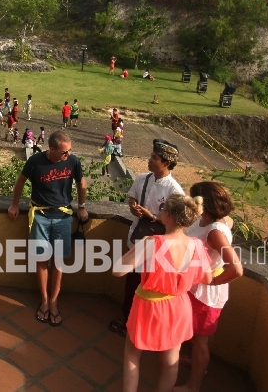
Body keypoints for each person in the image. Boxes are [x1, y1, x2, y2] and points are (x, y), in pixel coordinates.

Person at [114, 194, 213, 392]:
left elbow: (118, 270)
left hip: (148, 305)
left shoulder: (152, 242)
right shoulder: (197, 245)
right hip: (178, 305)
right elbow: (207, 279)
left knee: (132, 355)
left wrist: (133, 251)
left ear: (168, 216)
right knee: (171, 360)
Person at [8, 131, 88, 327]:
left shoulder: (73, 162)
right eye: (64, 152)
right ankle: (44, 300)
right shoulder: (35, 161)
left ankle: (54, 302)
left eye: (69, 151)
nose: (67, 155)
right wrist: (15, 204)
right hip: (41, 216)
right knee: (42, 260)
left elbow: (81, 183)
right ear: (51, 149)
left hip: (63, 217)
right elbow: (20, 181)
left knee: (58, 262)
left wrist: (82, 206)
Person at [109, 139, 184, 338]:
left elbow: (177, 224)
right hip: (137, 240)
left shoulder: (174, 191)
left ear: (166, 163)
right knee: (132, 285)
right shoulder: (142, 179)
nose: (149, 160)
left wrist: (152, 217)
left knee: (149, 289)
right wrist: (133, 205)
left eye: (154, 158)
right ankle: (127, 321)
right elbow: (132, 197)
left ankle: (141, 326)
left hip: (157, 247)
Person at [174, 182, 243, 392]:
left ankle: (193, 386)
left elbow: (237, 269)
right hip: (198, 288)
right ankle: (198, 367)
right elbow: (228, 221)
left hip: (205, 294)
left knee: (201, 341)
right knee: (202, 337)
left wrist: (213, 280)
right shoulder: (211, 221)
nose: (191, 201)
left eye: (195, 198)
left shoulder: (215, 231)